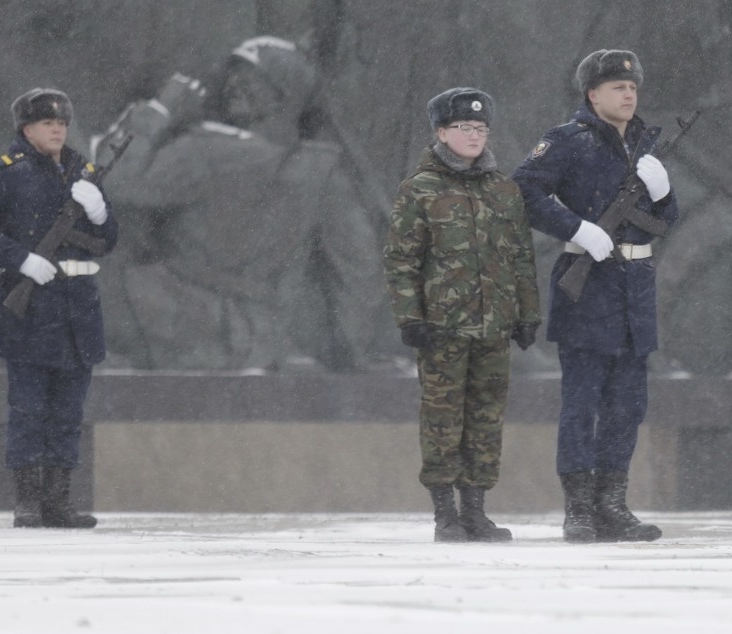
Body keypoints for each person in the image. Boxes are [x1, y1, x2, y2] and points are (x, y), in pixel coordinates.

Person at [92, 36, 384, 371]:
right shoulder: (322, 173)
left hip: (164, 319)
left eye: (250, 80)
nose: (233, 85)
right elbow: (358, 272)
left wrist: (159, 110)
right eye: (233, 76)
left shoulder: (204, 152)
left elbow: (110, 182)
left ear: (282, 95)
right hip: (262, 340)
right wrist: (350, 352)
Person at [512, 50, 678, 543]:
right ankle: (580, 507)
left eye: (633, 88)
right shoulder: (568, 141)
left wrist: (664, 192)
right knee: (582, 403)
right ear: (592, 94)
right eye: (617, 87)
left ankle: (613, 505)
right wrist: (577, 228)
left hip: (635, 290)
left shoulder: (645, 149)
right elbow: (524, 190)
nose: (629, 94)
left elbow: (665, 222)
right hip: (589, 288)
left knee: (628, 405)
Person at [0, 88, 118, 529]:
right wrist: (21, 258)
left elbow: (107, 242)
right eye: (48, 123)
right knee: (28, 409)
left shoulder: (82, 172)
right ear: (26, 129)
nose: (58, 129)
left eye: (62, 123)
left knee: (68, 411)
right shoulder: (6, 173)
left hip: (77, 309)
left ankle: (58, 502)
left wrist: (100, 213)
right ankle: (28, 503)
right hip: (31, 308)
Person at [384, 88, 540, 542]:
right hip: (442, 328)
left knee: (486, 418)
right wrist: (410, 317)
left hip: (494, 326)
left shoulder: (503, 190)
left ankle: (476, 511)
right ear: (441, 132)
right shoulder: (420, 189)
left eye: (480, 128)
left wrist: (527, 314)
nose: (474, 136)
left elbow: (520, 257)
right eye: (464, 128)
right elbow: (401, 259)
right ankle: (444, 514)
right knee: (442, 418)